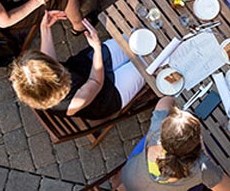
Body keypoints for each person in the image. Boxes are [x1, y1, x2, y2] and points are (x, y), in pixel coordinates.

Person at [9, 11, 145, 119]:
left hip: (87, 65)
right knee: (147, 63)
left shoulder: (45, 77)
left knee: (137, 36)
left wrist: (45, 28)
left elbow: (48, 60)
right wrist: (96, 48)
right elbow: (96, 81)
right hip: (109, 93)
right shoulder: (71, 104)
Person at [113, 96, 230, 191]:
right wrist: (205, 155)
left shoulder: (157, 129)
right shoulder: (202, 168)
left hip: (129, 177)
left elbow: (165, 100)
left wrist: (173, 101)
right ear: (197, 142)